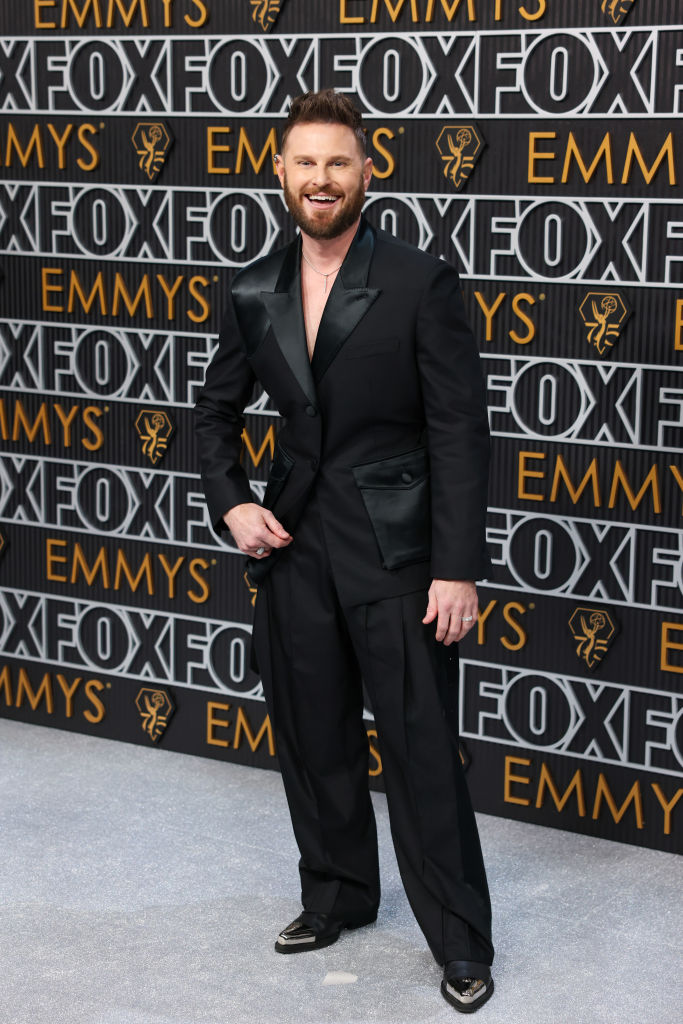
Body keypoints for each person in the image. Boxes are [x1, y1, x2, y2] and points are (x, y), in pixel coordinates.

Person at [194, 89, 494, 1014]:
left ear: (368, 171)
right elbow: (212, 415)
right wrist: (234, 506)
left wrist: (456, 567)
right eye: (303, 163)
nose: (319, 180)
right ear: (277, 173)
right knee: (312, 737)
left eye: (337, 162)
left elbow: (457, 430)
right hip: (293, 548)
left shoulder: (418, 281)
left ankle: (459, 939)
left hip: (399, 555)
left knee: (418, 749)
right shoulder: (252, 286)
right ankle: (336, 898)